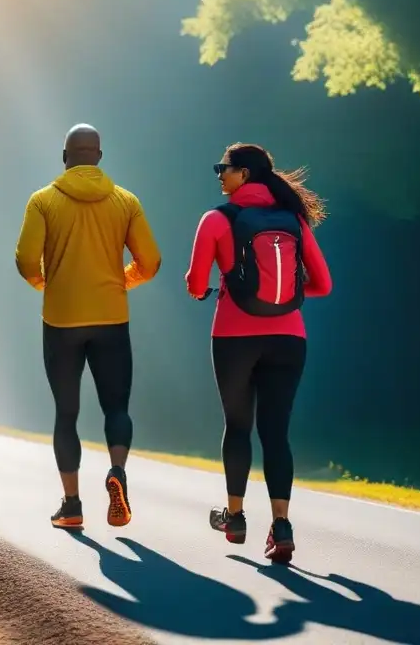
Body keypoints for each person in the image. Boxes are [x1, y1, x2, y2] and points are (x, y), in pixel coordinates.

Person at [185, 143, 332, 564]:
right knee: (276, 433)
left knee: (237, 426)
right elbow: (323, 284)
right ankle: (282, 526)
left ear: (244, 174)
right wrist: (284, 298)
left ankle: (234, 517)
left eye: (224, 168)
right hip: (290, 338)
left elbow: (197, 283)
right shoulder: (294, 220)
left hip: (234, 335)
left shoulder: (216, 219)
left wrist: (205, 289)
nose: (219, 175)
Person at [15, 124, 162, 530]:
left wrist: (47, 283)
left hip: (61, 320)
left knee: (67, 413)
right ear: (99, 156)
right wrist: (122, 280)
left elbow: (26, 260)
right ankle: (117, 471)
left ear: (65, 157)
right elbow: (150, 261)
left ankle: (72, 504)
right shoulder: (125, 201)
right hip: (112, 318)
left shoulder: (43, 201)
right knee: (116, 407)